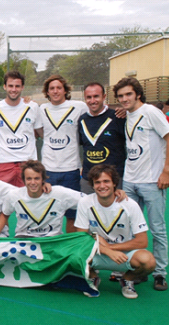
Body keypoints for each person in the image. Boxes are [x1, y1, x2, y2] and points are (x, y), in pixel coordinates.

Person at [113, 77, 169, 291]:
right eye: (121, 96)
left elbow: (168, 136)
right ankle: (133, 268)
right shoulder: (126, 114)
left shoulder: (152, 112)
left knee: (157, 228)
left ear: (137, 93)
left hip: (152, 181)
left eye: (128, 94)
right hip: (130, 180)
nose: (125, 98)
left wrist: (166, 170)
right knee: (127, 227)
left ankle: (160, 273)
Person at [75, 164, 156, 298]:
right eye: (97, 182)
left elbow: (142, 241)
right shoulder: (85, 202)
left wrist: (112, 248)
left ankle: (127, 279)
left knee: (148, 261)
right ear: (93, 185)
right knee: (72, 255)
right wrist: (106, 250)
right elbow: (81, 237)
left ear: (114, 184)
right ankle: (93, 277)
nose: (102, 186)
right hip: (98, 252)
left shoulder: (130, 204)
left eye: (106, 181)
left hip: (123, 255)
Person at [39, 75, 88, 233]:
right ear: (47, 92)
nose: (55, 91)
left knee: (72, 215)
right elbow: (40, 132)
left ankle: (70, 249)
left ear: (65, 90)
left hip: (70, 169)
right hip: (48, 170)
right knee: (49, 214)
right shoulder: (42, 109)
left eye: (59, 88)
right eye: (51, 88)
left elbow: (99, 110)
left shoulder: (79, 106)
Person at [0, 160, 83, 238]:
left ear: (43, 179)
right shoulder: (14, 195)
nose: (33, 182)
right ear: (23, 180)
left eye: (37, 178)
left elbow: (87, 202)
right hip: (24, 241)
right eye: (29, 179)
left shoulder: (59, 193)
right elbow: (4, 215)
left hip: (53, 241)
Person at [0, 71, 43, 187]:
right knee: (1, 202)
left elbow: (41, 133)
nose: (14, 89)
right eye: (10, 86)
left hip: (28, 163)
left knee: (27, 202)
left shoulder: (33, 107)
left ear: (22, 87)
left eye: (17, 86)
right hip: (3, 164)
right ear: (4, 86)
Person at [78, 82, 126, 193]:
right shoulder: (82, 120)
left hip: (114, 179)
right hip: (89, 179)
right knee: (89, 209)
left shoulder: (118, 117)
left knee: (115, 210)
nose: (92, 100)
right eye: (89, 97)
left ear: (104, 97)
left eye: (96, 96)